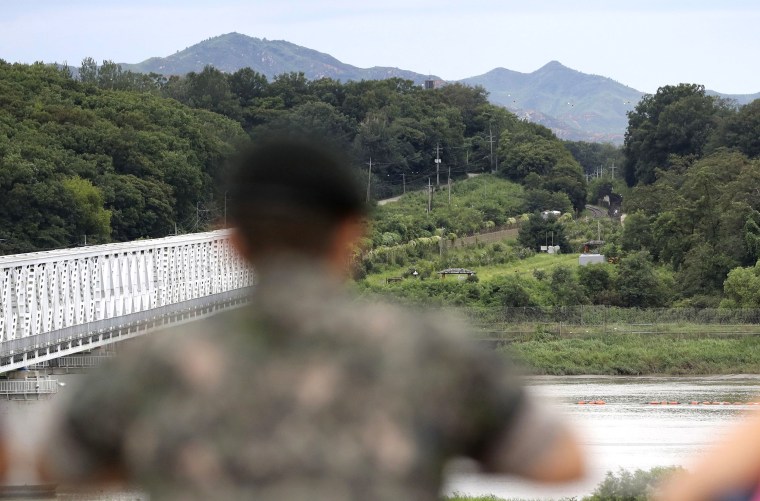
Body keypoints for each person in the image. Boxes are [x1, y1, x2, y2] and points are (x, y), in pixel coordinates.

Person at [40, 136, 585, 500]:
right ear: (352, 233)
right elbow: (562, 463)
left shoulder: (156, 360)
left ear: (233, 243)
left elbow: (55, 465)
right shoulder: (428, 350)